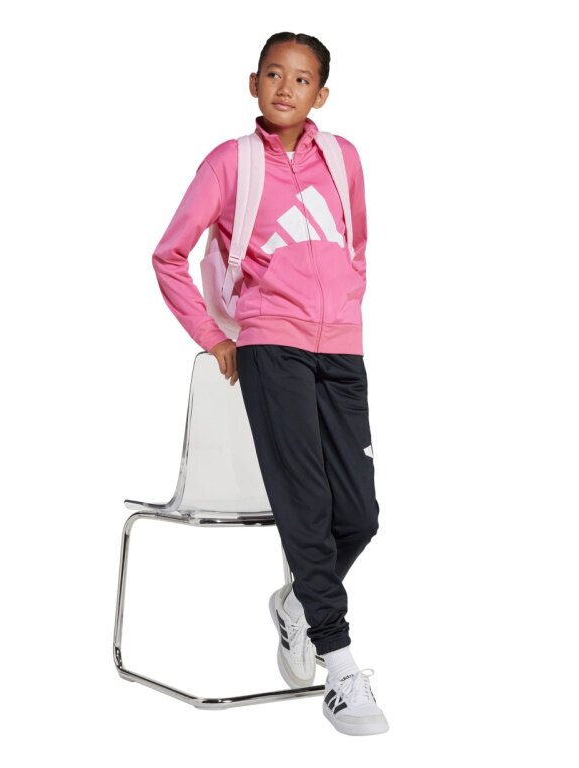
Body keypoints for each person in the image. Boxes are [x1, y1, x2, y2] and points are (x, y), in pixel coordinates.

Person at [151, 31, 387, 736]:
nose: (287, 88)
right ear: (253, 83)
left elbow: (357, 244)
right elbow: (168, 254)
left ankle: (296, 604)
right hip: (270, 347)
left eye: (303, 78)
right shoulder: (230, 164)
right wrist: (215, 336)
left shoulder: (343, 159)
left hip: (341, 348)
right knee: (306, 506)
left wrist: (347, 301)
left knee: (360, 513)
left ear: (322, 93)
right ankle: (340, 666)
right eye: (275, 74)